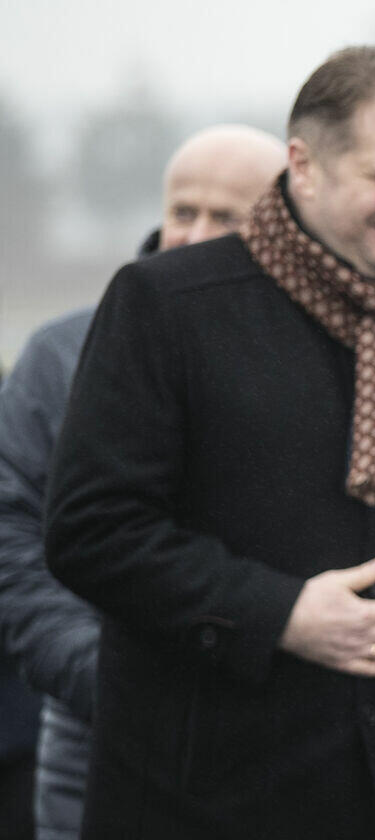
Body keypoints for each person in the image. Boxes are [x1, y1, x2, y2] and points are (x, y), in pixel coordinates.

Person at [44, 46, 375, 839]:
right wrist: (279, 612)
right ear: (303, 165)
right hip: (207, 797)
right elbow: (91, 531)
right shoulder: (167, 305)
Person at [0, 124, 286, 840]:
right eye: (183, 211)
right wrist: (105, 674)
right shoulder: (62, 354)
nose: (195, 235)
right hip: (95, 732)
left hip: (272, 734)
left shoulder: (319, 356)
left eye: (227, 217)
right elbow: (14, 537)